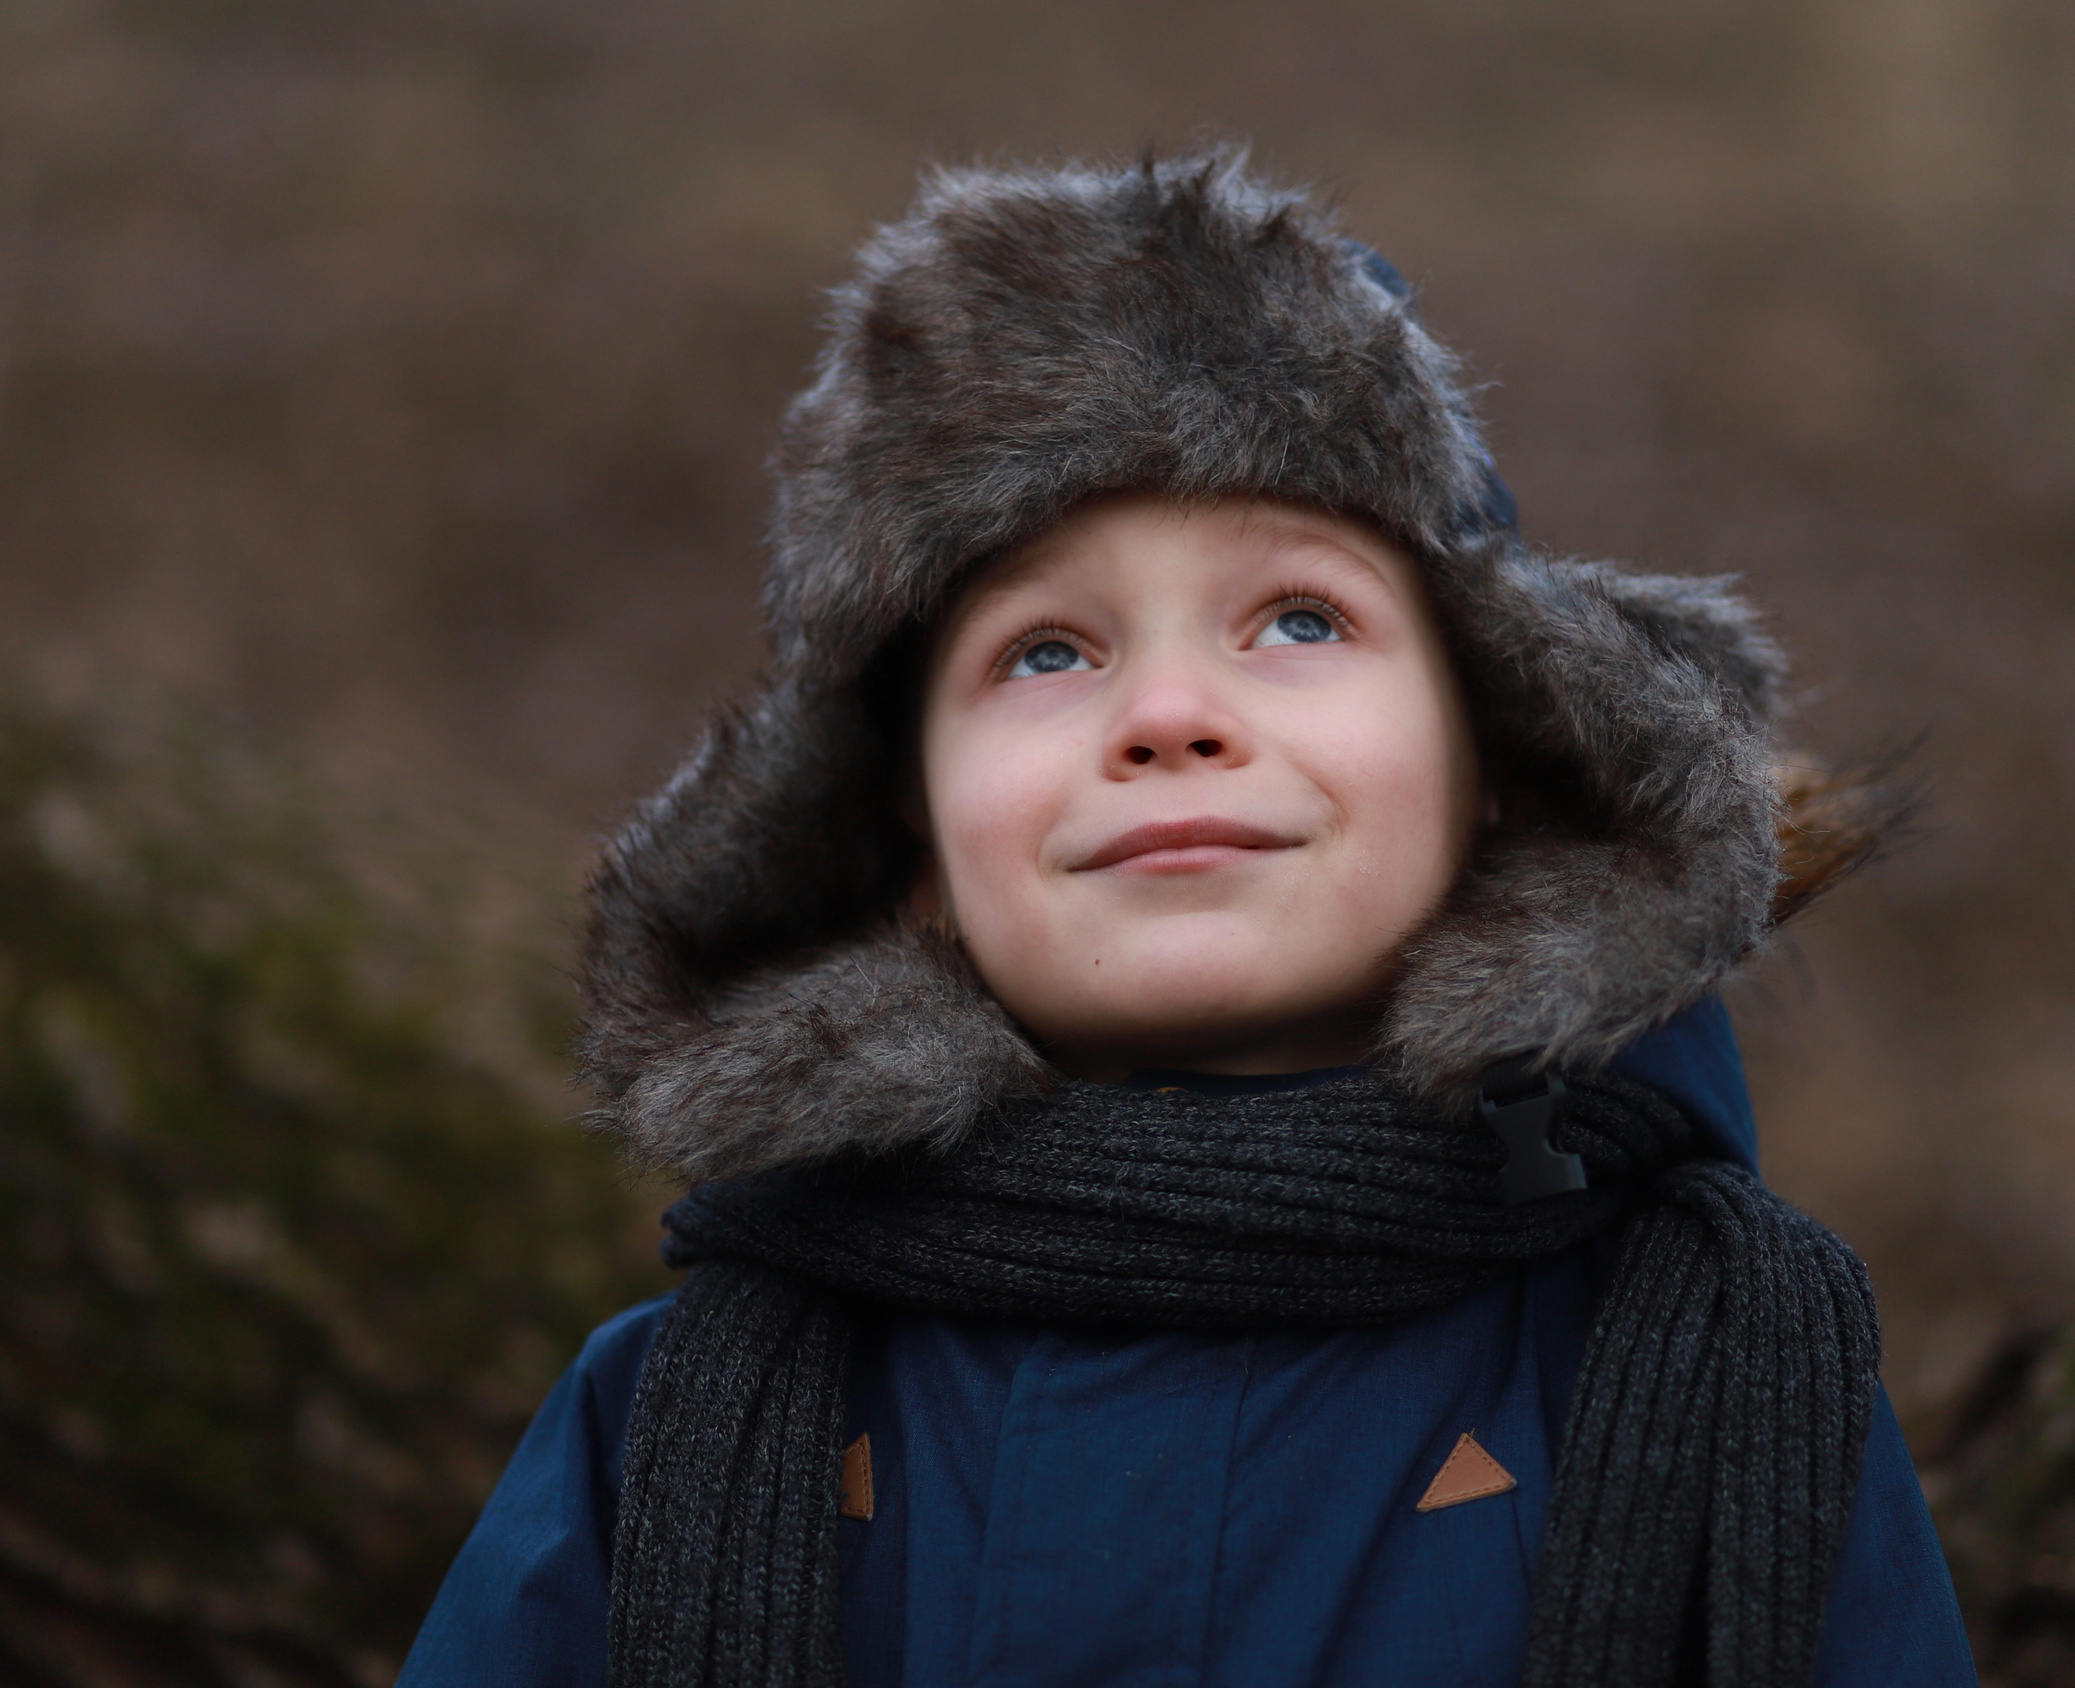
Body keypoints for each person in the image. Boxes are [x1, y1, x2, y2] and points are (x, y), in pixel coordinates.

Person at [398, 151, 1978, 1688]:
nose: (1165, 712)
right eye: (1044, 652)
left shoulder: (1715, 1367)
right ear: (911, 844)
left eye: (1299, 619)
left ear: (1500, 762)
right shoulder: (683, 1417)